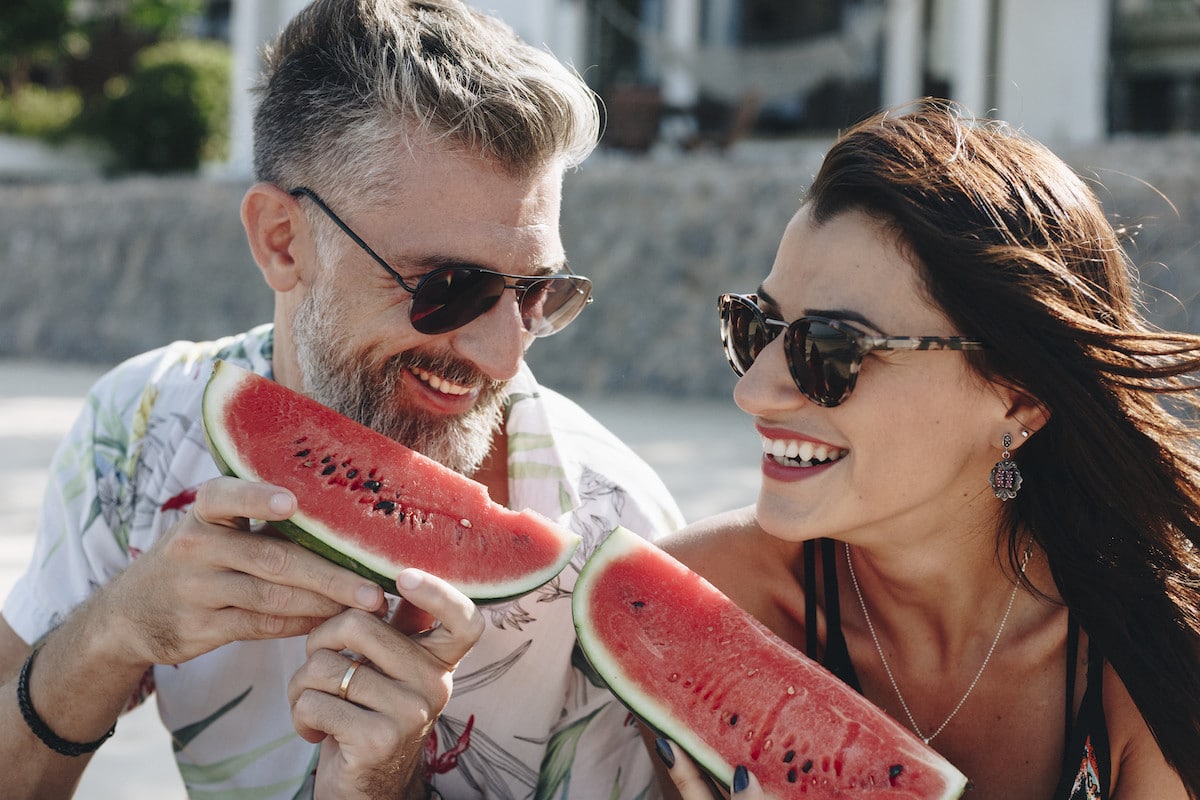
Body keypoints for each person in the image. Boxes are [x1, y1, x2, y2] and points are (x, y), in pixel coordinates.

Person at [0, 1, 685, 798]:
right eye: (449, 288)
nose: (505, 352)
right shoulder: (143, 431)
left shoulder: (617, 537)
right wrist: (112, 632)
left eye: (537, 294)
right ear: (282, 241)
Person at [649, 101, 1200, 799]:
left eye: (829, 350)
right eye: (754, 328)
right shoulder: (703, 604)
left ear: (1019, 398)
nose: (755, 392)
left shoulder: (1148, 654)